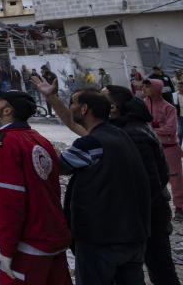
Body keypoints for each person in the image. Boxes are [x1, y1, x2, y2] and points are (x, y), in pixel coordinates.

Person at [32, 79, 150, 284]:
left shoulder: (91, 143)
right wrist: (51, 97)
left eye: (74, 103)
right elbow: (71, 123)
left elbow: (53, 168)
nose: (71, 108)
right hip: (132, 234)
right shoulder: (119, 135)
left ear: (85, 109)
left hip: (101, 239)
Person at [0, 91, 71, 285]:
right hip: (53, 237)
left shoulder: (5, 144)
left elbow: (9, 202)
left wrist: (7, 250)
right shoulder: (40, 140)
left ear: (7, 110)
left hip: (28, 246)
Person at [104, 85, 179, 285]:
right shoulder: (127, 128)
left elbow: (151, 182)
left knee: (160, 268)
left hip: (148, 213)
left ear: (113, 107)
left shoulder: (134, 133)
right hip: (147, 212)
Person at [143, 78, 183, 220]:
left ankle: (180, 208)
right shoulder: (143, 105)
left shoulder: (169, 108)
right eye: (144, 86)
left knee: (175, 178)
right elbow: (141, 124)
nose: (144, 88)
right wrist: (157, 126)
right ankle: (157, 208)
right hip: (150, 147)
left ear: (156, 88)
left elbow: (171, 129)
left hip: (169, 148)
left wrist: (150, 128)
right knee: (153, 178)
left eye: (148, 86)